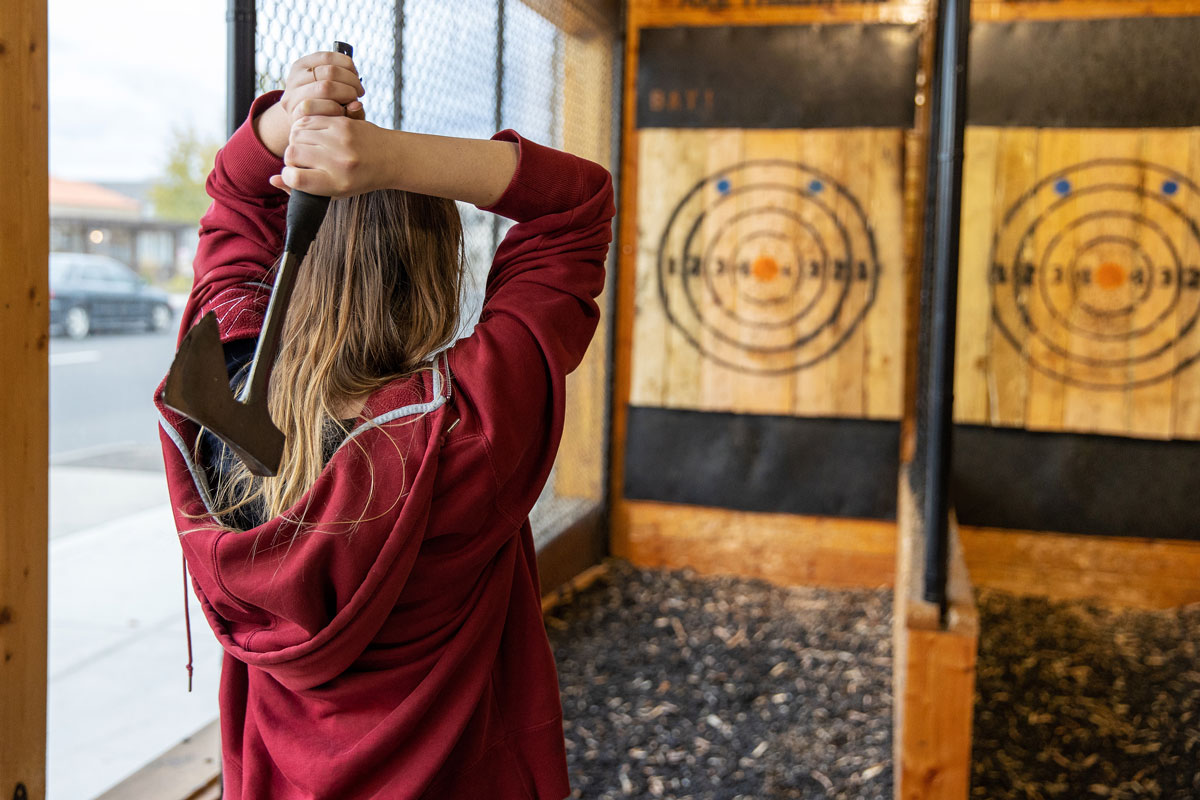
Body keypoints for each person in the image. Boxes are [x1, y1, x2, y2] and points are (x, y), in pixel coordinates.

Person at [153, 48, 614, 799]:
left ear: (292, 267)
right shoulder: (468, 429)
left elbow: (234, 200)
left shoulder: (214, 396)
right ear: (437, 280)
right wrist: (395, 159)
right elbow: (578, 204)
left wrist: (282, 123)